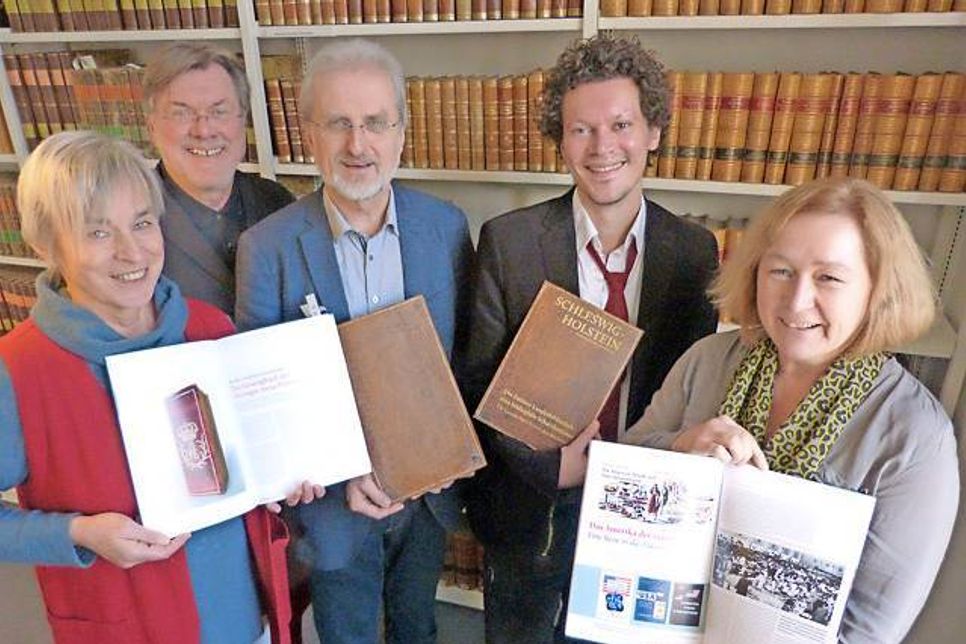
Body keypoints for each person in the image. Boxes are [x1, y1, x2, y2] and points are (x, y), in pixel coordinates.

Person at [0, 131, 323, 643]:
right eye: (98, 233)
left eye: (143, 223)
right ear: (47, 245)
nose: (132, 252)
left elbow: (243, 466)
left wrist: (285, 475)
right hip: (126, 625)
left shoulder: (208, 328)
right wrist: (77, 534)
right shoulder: (18, 368)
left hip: (246, 615)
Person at [457, 34, 718, 643]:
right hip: (532, 502)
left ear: (653, 130)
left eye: (621, 124)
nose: (603, 148)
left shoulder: (693, 252)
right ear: (561, 138)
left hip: (642, 515)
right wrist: (550, 467)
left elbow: (691, 386)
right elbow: (480, 381)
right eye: (581, 130)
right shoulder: (510, 241)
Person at [624, 177, 958, 644]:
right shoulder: (707, 359)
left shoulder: (916, 437)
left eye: (829, 277)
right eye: (780, 270)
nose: (797, 300)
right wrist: (681, 445)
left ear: (878, 290)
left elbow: (870, 632)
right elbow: (627, 464)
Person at [235, 39, 474, 644]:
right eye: (339, 124)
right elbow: (259, 396)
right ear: (309, 133)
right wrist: (340, 473)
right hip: (335, 511)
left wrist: (444, 451)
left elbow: (464, 358)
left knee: (418, 626)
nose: (357, 145)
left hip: (429, 498)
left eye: (375, 123)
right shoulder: (268, 247)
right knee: (347, 635)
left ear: (401, 131)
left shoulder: (445, 228)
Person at [145, 43, 295, 315]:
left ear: (243, 121)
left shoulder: (279, 203)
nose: (203, 130)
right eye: (182, 113)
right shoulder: (127, 222)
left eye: (219, 111)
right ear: (152, 127)